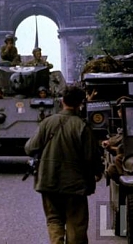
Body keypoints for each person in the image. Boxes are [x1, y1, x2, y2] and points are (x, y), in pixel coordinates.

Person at [24, 86, 103, 244]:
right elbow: (91, 157)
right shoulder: (82, 126)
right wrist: (97, 172)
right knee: (76, 223)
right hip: (75, 185)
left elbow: (29, 148)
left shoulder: (47, 123)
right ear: (80, 103)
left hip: (48, 180)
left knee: (54, 220)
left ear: (62, 101)